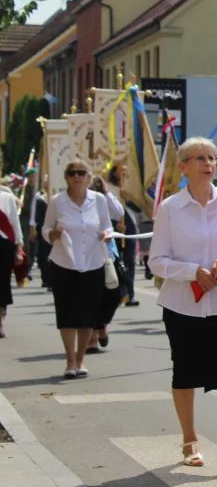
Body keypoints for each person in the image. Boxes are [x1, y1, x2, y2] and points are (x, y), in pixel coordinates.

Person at [149, 137, 217, 474]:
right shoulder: (170, 209)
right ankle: (190, 440)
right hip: (184, 305)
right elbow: (157, 262)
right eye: (200, 158)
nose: (209, 164)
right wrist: (192, 271)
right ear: (184, 167)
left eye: (213, 157)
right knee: (185, 370)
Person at [42, 160, 114, 379]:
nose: (77, 177)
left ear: (89, 177)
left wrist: (106, 234)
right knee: (67, 314)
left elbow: (107, 225)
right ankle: (69, 361)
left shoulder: (99, 200)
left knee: (88, 315)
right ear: (66, 177)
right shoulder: (58, 201)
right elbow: (46, 228)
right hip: (64, 263)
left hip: (92, 262)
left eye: (81, 173)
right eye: (72, 173)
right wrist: (54, 233)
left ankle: (81, 359)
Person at [88, 175, 123, 351]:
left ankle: (102, 325)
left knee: (114, 294)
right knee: (92, 296)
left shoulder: (105, 198)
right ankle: (92, 337)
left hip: (108, 254)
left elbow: (119, 212)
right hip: (85, 256)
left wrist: (106, 191)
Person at [107, 163, 139, 307]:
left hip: (130, 226)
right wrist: (116, 223)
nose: (124, 174)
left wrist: (128, 198)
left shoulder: (131, 188)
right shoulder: (108, 188)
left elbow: (139, 208)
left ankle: (130, 295)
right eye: (121, 171)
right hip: (115, 226)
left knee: (129, 262)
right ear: (114, 173)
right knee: (116, 261)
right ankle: (120, 293)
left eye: (126, 171)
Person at [0, 185, 25, 338]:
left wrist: (19, 248)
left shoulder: (7, 197)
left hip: (4, 245)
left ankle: (0, 318)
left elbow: (15, 225)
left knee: (2, 282)